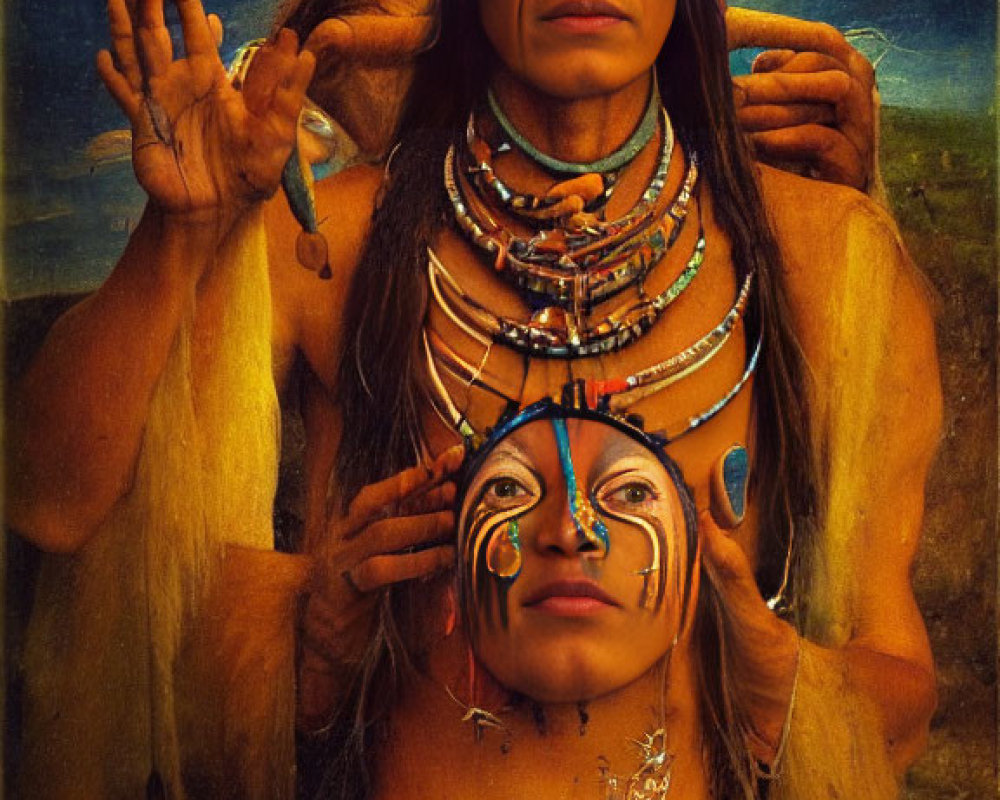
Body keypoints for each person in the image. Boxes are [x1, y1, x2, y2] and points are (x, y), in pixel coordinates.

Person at [5, 0, 939, 797]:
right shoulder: (324, 242)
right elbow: (52, 507)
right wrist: (182, 233)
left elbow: (899, 692)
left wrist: (783, 682)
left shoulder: (826, 257)